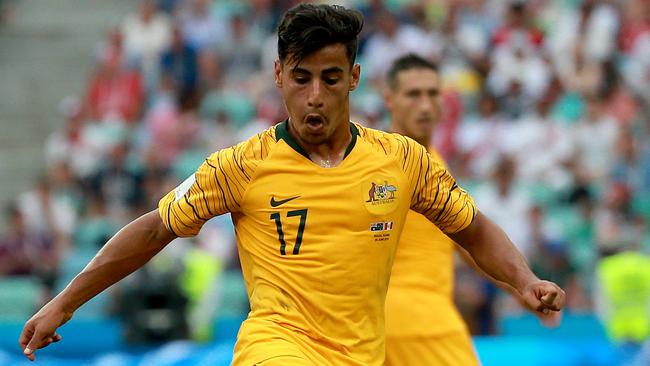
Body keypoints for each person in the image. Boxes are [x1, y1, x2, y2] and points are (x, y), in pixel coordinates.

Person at [20, 4, 565, 365]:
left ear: (353, 79)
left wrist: (523, 280)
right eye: (301, 78)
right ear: (279, 75)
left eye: (330, 80)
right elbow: (154, 229)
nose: (314, 97)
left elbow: (471, 228)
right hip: (275, 348)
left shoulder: (403, 163)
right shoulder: (241, 165)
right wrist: (65, 303)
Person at [382, 54, 561, 366]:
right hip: (413, 326)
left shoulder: (434, 164)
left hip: (416, 323)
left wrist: (523, 289)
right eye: (413, 94)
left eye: (432, 93)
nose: (424, 104)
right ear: (389, 100)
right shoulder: (375, 161)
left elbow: (471, 242)